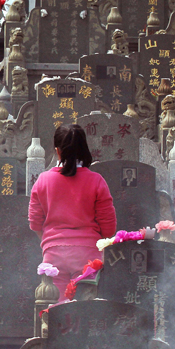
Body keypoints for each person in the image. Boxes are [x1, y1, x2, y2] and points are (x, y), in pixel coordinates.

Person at [29, 124, 118, 295]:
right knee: (86, 305)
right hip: (89, 255)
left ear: (57, 151)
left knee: (54, 303)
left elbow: (35, 223)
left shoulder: (43, 180)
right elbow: (108, 228)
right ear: (84, 150)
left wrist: (50, 242)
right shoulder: (96, 181)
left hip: (53, 253)